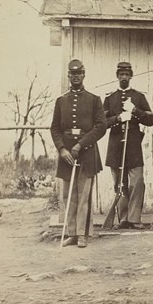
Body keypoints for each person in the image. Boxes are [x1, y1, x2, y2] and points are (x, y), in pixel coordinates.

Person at [50, 59, 106, 248]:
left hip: (87, 152)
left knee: (84, 194)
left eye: (79, 74)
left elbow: (101, 127)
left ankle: (83, 234)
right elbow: (55, 128)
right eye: (72, 74)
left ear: (84, 75)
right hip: (67, 154)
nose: (75, 77)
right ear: (69, 76)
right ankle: (72, 233)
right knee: (68, 194)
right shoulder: (61, 101)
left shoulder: (94, 99)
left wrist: (81, 144)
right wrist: (62, 149)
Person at [102, 62, 153, 230]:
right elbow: (101, 123)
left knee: (137, 181)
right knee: (119, 183)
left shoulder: (138, 97)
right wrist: (117, 119)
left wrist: (135, 111)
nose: (124, 77)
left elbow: (151, 120)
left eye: (127, 74)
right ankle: (123, 218)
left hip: (133, 144)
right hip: (116, 144)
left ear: (131, 76)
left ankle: (134, 218)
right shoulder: (110, 98)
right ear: (117, 76)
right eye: (121, 74)